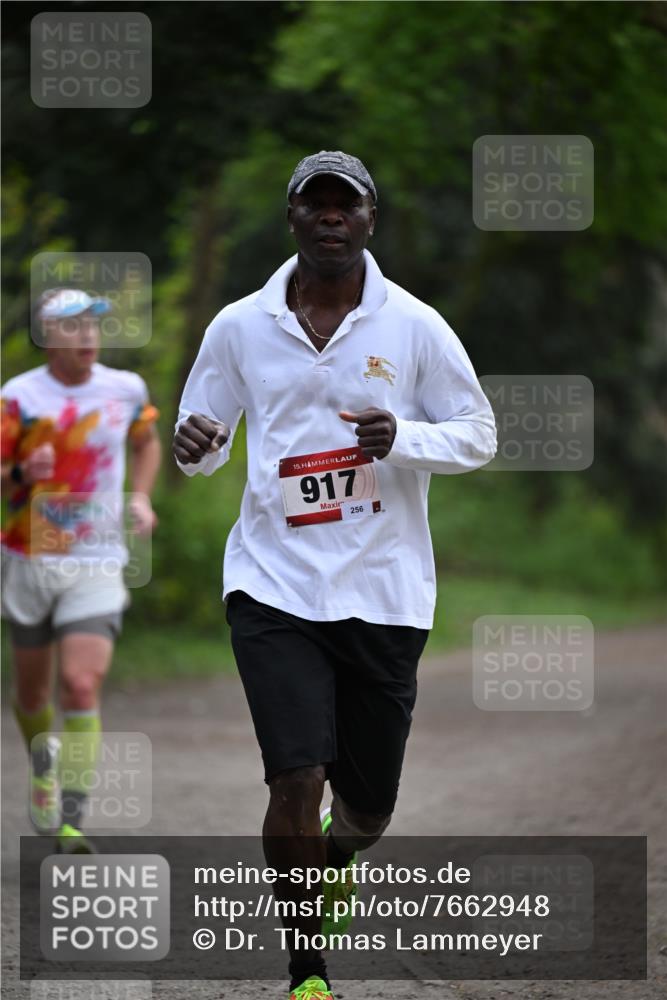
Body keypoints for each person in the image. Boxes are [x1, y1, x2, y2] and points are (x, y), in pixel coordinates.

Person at [173, 150, 497, 1000]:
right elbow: (200, 433)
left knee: (367, 807)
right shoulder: (239, 325)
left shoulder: (415, 327)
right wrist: (194, 447)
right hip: (272, 583)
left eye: (343, 205)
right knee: (293, 776)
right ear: (291, 218)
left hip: (385, 589)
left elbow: (478, 431)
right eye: (313, 205)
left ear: (367, 219)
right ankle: (305, 967)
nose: (329, 217)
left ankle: (343, 851)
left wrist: (406, 439)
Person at [1, 288, 161, 853]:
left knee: (81, 682)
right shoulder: (17, 398)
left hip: (97, 557)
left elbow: (146, 444)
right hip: (29, 558)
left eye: (93, 324)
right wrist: (22, 469)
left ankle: (70, 820)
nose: (88, 335)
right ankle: (42, 766)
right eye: (72, 326)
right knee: (31, 694)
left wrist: (139, 498)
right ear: (47, 336)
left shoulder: (124, 389)